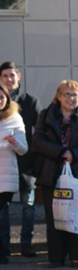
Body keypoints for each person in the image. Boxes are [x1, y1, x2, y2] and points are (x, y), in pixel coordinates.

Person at [32, 80, 78, 268]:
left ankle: (76, 256)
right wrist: (60, 152)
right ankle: (56, 257)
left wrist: (73, 154)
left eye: (75, 95)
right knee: (54, 215)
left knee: (76, 214)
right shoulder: (46, 115)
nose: (71, 98)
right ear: (59, 96)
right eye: (67, 94)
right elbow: (37, 141)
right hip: (51, 172)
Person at [0, 61, 42, 258]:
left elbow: (40, 130)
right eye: (5, 76)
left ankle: (26, 244)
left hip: (26, 163)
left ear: (19, 76)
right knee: (3, 207)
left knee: (28, 205)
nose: (9, 79)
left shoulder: (30, 101)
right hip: (4, 164)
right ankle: (4, 245)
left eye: (12, 75)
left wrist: (34, 155)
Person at [0, 84, 28, 264]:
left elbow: (23, 149)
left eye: (2, 97)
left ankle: (2, 251)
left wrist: (14, 142)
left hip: (5, 176)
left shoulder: (14, 118)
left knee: (2, 212)